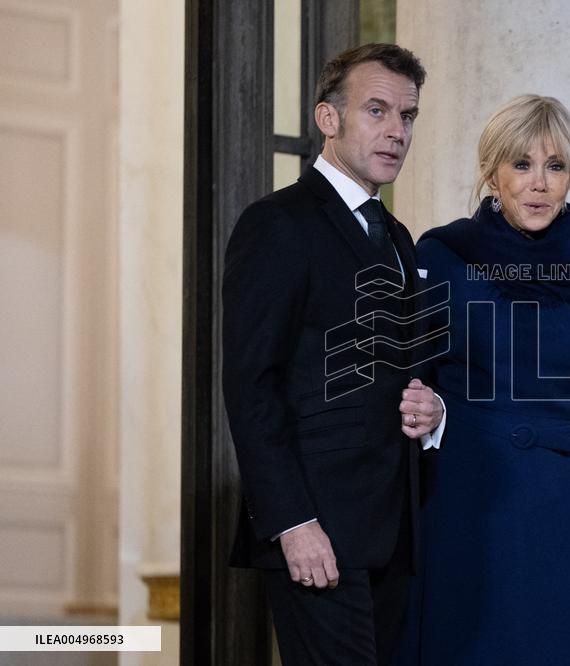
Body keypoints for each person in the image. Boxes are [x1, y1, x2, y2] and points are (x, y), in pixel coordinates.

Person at [397, 95, 570, 666]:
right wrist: (431, 413)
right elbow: (413, 378)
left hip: (554, 512)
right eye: (522, 165)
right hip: (465, 501)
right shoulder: (443, 255)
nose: (539, 184)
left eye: (555, 166)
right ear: (492, 171)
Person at [222, 43, 445, 666]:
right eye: (377, 111)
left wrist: (434, 412)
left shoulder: (397, 237)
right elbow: (251, 385)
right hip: (315, 533)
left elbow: (406, 371)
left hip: (393, 535)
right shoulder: (277, 225)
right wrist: (291, 522)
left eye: (408, 117)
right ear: (328, 119)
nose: (397, 132)